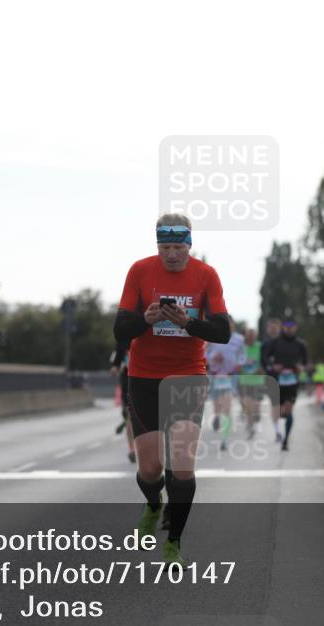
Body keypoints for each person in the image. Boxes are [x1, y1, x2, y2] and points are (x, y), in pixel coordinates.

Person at [114, 213, 230, 566]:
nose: (172, 255)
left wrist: (190, 324)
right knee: (150, 469)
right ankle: (153, 505)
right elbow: (120, 330)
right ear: (157, 246)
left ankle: (174, 543)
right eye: (165, 247)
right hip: (145, 377)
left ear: (189, 245)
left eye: (179, 247)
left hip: (187, 378)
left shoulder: (206, 276)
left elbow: (223, 331)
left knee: (181, 467)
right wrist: (145, 320)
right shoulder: (140, 271)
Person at [262, 318, 308, 451]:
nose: (289, 329)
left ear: (296, 328)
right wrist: (272, 367)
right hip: (277, 381)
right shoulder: (275, 343)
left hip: (292, 381)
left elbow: (305, 362)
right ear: (283, 328)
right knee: (280, 412)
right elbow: (265, 358)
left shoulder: (301, 344)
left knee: (289, 410)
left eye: (291, 326)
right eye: (286, 326)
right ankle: (280, 427)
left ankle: (286, 440)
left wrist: (301, 367)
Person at [205, 317, 245, 451]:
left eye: (230, 324)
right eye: (226, 324)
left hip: (230, 377)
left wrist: (240, 364)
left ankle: (224, 439)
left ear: (233, 325)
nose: (229, 326)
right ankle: (216, 416)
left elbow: (242, 355)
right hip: (215, 376)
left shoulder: (239, 339)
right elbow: (205, 355)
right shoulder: (214, 337)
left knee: (227, 408)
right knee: (217, 406)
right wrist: (213, 359)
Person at [109, 338, 135, 462]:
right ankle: (132, 449)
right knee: (130, 414)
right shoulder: (125, 334)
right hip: (128, 378)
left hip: (149, 377)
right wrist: (115, 366)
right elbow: (117, 354)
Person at [259, 317, 283, 443]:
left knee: (284, 406)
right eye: (271, 328)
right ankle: (277, 430)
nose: (273, 330)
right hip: (271, 379)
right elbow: (263, 363)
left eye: (275, 328)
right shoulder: (264, 345)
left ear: (280, 329)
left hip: (287, 380)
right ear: (268, 330)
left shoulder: (286, 343)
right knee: (275, 405)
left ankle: (281, 426)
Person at [237, 328, 263, 438]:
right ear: (246, 336)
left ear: (256, 336)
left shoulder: (260, 347)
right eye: (249, 335)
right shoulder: (241, 348)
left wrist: (261, 368)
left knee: (256, 406)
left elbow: (265, 361)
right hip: (245, 381)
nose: (251, 337)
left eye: (253, 335)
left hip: (258, 381)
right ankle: (250, 426)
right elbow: (237, 363)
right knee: (247, 405)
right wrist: (241, 366)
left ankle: (256, 415)